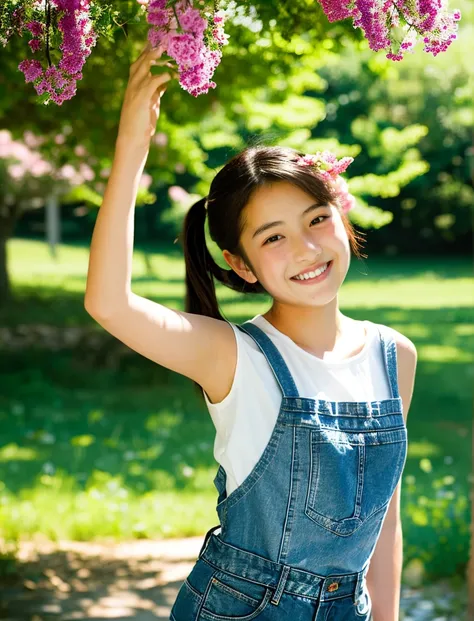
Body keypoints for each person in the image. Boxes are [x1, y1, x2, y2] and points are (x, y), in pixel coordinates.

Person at [84, 43, 418, 621]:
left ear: (342, 216)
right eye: (273, 238)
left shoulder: (394, 356)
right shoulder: (233, 355)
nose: (307, 249)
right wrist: (132, 142)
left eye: (317, 220)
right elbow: (109, 303)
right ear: (241, 265)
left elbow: (384, 519)